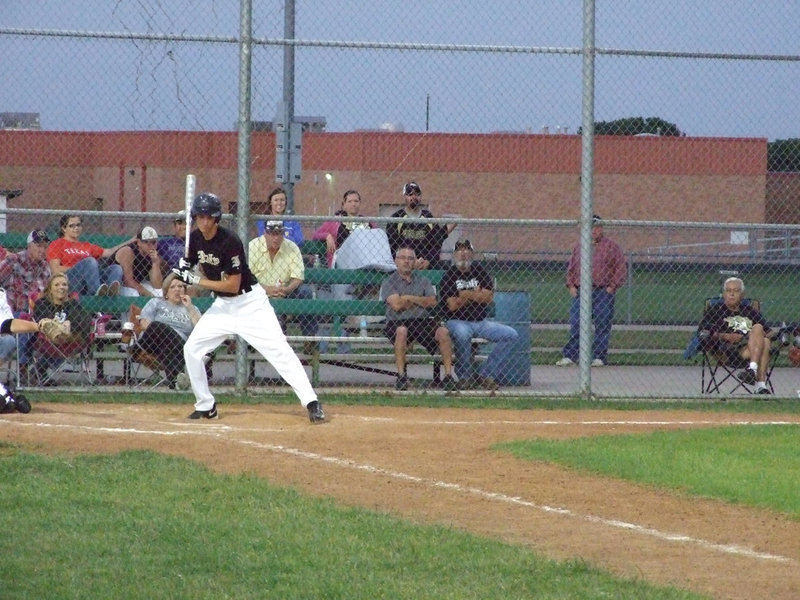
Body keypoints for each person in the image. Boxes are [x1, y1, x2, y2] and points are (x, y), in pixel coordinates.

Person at [171, 192, 324, 422]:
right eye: (199, 217)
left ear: (216, 218)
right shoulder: (195, 239)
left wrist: (194, 279)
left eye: (207, 217)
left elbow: (233, 285)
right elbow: (192, 265)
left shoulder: (230, 241)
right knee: (192, 349)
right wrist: (185, 266)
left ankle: (311, 402)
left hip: (250, 304)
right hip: (222, 307)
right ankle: (206, 405)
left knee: (279, 350)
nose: (203, 221)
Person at [440, 239, 518, 390]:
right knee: (462, 335)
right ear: (454, 254)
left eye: (466, 250)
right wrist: (475, 294)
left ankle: (486, 374)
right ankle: (465, 377)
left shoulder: (480, 271)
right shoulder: (449, 275)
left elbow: (488, 298)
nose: (463, 253)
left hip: (480, 322)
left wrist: (465, 295)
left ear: (472, 254)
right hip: (456, 321)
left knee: (511, 335)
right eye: (459, 250)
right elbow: (452, 306)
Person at [380, 245, 456, 391]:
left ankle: (448, 376)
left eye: (410, 258)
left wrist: (407, 298)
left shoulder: (423, 280)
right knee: (401, 331)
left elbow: (432, 302)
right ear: (396, 261)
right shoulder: (389, 282)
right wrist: (420, 300)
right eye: (403, 258)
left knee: (443, 332)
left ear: (415, 262)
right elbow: (396, 305)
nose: (407, 261)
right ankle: (402, 377)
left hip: (422, 322)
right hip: (397, 321)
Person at [555, 214, 627, 368]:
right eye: (590, 227)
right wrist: (571, 286)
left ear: (601, 228)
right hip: (581, 291)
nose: (594, 231)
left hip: (602, 291)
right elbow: (572, 268)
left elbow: (620, 269)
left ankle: (599, 356)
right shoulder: (579, 247)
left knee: (602, 323)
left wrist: (611, 287)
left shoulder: (612, 247)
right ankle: (571, 355)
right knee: (577, 323)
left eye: (597, 227)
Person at [248, 220, 318, 347]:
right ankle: (245, 344)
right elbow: (247, 277)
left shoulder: (291, 247)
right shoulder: (253, 246)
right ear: (265, 233)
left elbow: (298, 277)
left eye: (279, 234)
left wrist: (287, 289)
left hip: (285, 290)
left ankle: (310, 341)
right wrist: (266, 289)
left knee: (305, 292)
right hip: (259, 291)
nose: (275, 238)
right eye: (272, 234)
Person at [698, 277, 773, 394]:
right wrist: (726, 336)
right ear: (724, 294)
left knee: (760, 331)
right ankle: (760, 384)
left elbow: (770, 332)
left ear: (742, 294)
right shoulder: (715, 311)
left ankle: (752, 370)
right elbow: (703, 332)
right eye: (728, 291)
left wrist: (758, 335)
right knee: (765, 342)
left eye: (736, 291)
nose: (732, 294)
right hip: (726, 351)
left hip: (749, 350)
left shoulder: (750, 311)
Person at [0, 229, 53, 379]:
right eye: (38, 246)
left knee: (56, 326)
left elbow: (47, 294)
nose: (42, 250)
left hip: (38, 312)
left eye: (45, 246)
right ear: (29, 246)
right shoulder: (14, 261)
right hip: (14, 313)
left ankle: (39, 371)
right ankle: (23, 369)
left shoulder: (45, 267)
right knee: (24, 321)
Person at [134, 273, 202, 389]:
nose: (177, 290)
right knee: (157, 326)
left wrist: (189, 308)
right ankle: (180, 376)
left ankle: (175, 381)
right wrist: (165, 331)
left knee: (167, 346)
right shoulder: (156, 303)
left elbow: (200, 330)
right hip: (151, 342)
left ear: (185, 290)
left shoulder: (192, 308)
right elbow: (144, 324)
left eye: (181, 287)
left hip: (175, 347)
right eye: (173, 287)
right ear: (166, 292)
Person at [31, 272, 93, 381]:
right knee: (54, 332)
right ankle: (40, 370)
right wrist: (60, 327)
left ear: (68, 288)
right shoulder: (42, 303)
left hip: (70, 340)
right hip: (48, 340)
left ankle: (39, 370)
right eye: (57, 285)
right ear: (50, 288)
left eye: (64, 284)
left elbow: (84, 320)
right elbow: (42, 320)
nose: (61, 287)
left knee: (82, 324)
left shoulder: (73, 304)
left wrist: (69, 325)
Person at [46, 214, 128, 296]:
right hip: (71, 280)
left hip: (91, 278)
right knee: (90, 261)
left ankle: (110, 294)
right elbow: (55, 269)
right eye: (72, 226)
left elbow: (109, 251)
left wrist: (132, 240)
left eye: (78, 225)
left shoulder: (86, 245)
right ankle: (96, 292)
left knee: (116, 268)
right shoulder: (57, 244)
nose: (76, 228)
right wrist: (82, 268)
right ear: (64, 228)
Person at [386, 181, 456, 270]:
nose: (414, 197)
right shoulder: (397, 217)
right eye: (410, 194)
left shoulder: (428, 217)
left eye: (417, 194)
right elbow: (392, 246)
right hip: (404, 262)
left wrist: (428, 260)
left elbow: (436, 242)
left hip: (426, 262)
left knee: (446, 269)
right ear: (404, 196)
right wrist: (409, 261)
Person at [312, 189, 375, 268]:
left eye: (356, 201)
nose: (353, 204)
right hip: (343, 260)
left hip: (365, 259)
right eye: (350, 201)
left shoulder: (368, 222)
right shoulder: (335, 221)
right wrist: (327, 236)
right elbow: (315, 235)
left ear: (360, 203)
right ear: (344, 204)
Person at [114, 226, 164, 297]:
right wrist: (147, 293)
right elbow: (127, 281)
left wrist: (155, 263)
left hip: (137, 283)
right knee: (134, 294)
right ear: (138, 242)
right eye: (146, 242)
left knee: (160, 292)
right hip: (119, 285)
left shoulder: (152, 254)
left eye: (153, 242)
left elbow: (157, 286)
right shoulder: (128, 251)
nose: (151, 246)